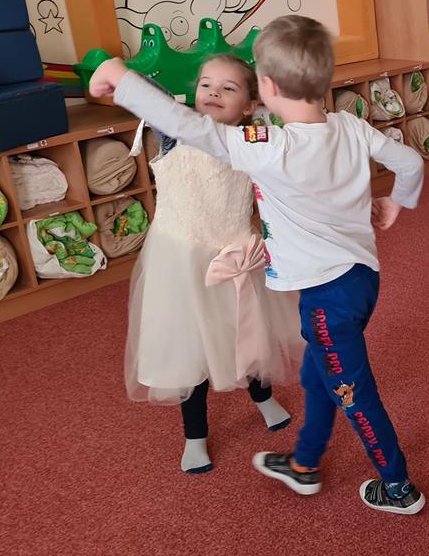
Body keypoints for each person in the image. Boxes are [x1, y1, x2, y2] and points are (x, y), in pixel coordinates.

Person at [89, 15, 428, 512]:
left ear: (265, 89)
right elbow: (412, 162)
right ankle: (305, 464)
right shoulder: (351, 126)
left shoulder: (267, 147)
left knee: (353, 392)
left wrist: (120, 76)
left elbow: (184, 124)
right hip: (361, 279)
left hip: (326, 298)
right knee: (317, 377)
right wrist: (397, 202)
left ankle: (398, 486)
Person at [125, 54, 300, 474]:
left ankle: (263, 398)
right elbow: (149, 97)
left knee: (250, 330)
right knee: (192, 347)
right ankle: (195, 435)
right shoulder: (175, 131)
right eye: (206, 84)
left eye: (228, 88)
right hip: (181, 265)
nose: (213, 93)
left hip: (238, 254)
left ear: (250, 104)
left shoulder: (253, 138)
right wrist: (117, 75)